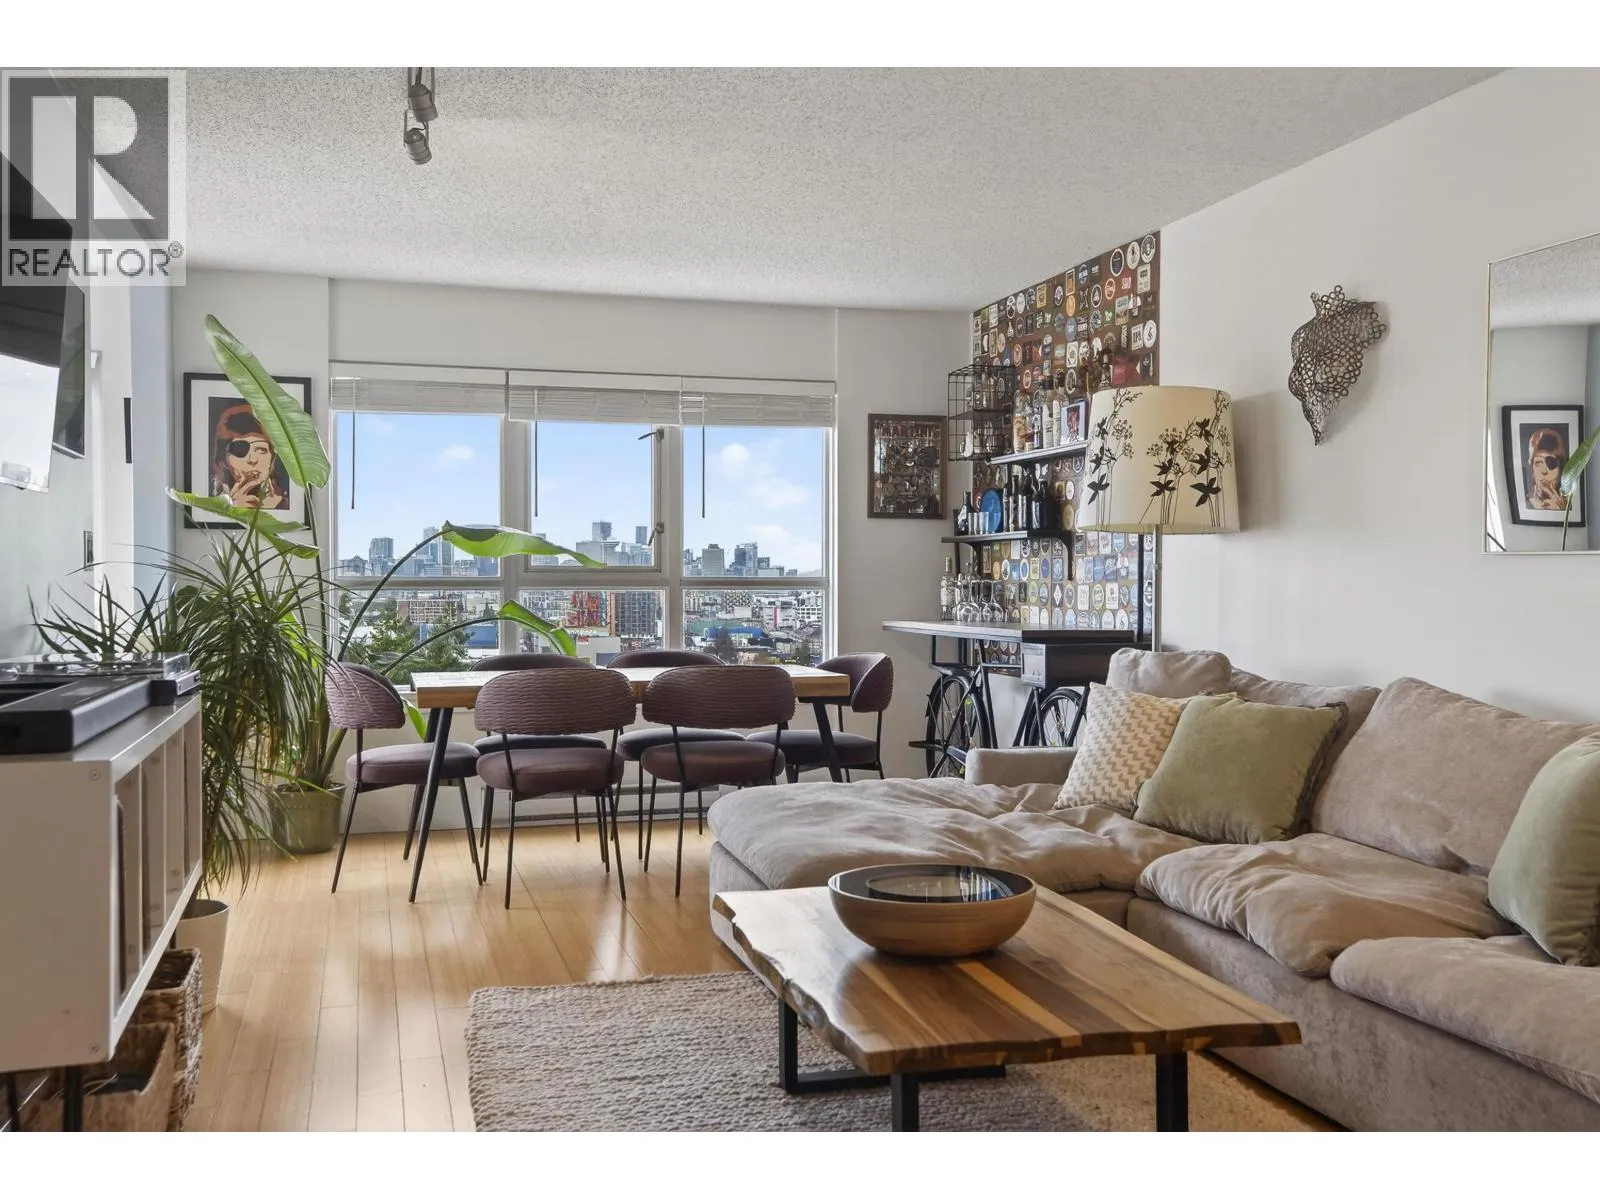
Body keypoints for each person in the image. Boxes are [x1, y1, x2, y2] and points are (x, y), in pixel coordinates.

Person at [1525, 426, 1569, 511]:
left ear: (1560, 469)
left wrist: (1561, 510)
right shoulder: (1527, 503)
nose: (1544, 471)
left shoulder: (1567, 504)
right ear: (1532, 470)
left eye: (1551, 463)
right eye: (1538, 463)